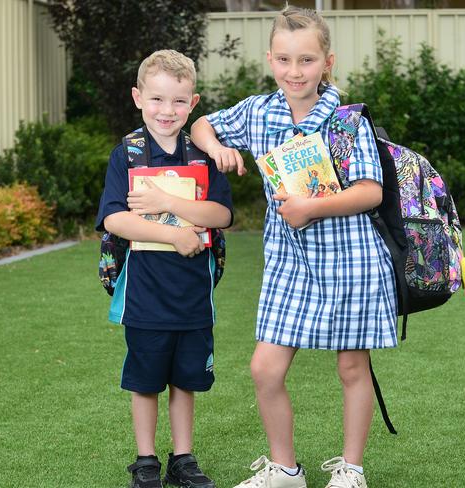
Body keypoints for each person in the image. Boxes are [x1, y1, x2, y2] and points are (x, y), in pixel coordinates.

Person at [191, 7, 397, 488]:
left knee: (351, 366)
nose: (294, 71)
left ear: (328, 62)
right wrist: (219, 148)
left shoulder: (347, 121)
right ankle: (285, 471)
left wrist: (309, 208)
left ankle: (351, 470)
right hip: (289, 262)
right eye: (284, 59)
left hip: (351, 258)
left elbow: (371, 192)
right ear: (270, 59)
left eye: (306, 60)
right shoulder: (260, 111)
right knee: (265, 368)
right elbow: (203, 124)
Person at [96, 49, 233, 488]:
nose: (166, 111)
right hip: (145, 291)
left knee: (185, 378)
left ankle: (183, 458)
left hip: (194, 290)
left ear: (193, 103)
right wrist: (173, 233)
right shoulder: (129, 154)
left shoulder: (204, 155)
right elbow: (115, 218)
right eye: (156, 99)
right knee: (145, 378)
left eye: (177, 101)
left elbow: (222, 215)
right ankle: (146, 460)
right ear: (138, 97)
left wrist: (169, 205)